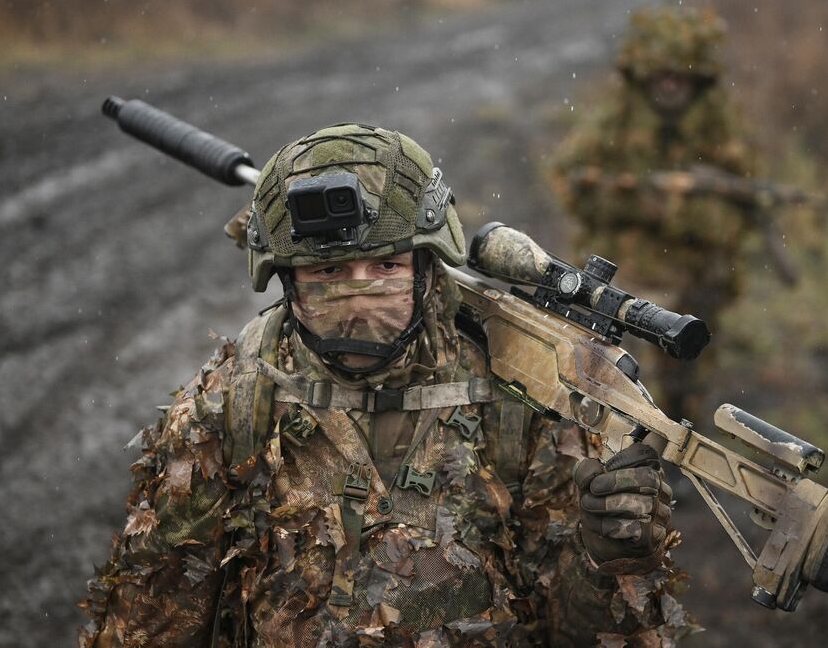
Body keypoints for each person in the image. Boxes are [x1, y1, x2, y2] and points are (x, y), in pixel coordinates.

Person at [80, 123, 694, 647]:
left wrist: (608, 562)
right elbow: (150, 622)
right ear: (286, 281)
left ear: (428, 265)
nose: (358, 300)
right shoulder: (231, 403)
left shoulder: (521, 396)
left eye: (386, 267)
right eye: (327, 272)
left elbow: (582, 633)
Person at [546, 6, 756, 422]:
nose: (672, 86)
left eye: (682, 77)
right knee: (598, 371)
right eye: (663, 76)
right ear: (644, 76)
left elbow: (741, 208)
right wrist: (635, 203)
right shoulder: (615, 122)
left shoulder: (718, 131)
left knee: (686, 371)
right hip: (621, 262)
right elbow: (569, 180)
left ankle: (678, 431)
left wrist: (685, 217)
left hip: (690, 269)